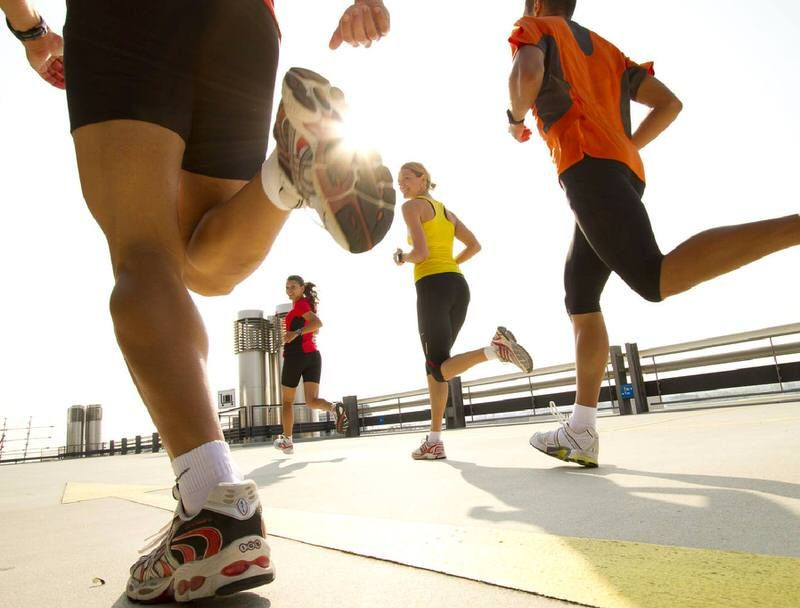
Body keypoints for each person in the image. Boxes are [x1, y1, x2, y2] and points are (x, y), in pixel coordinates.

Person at [1, 0, 393, 601]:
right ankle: (286, 176)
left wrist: (27, 27)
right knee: (200, 261)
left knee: (142, 252)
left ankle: (212, 502)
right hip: (246, 21)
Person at [506, 0, 800, 468]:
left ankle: (794, 228)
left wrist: (515, 118)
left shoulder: (535, 26)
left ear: (538, 2)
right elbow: (669, 103)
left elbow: (526, 75)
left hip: (587, 166)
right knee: (579, 295)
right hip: (620, 170)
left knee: (653, 278)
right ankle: (581, 430)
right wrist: (625, 146)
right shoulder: (606, 51)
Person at [395, 162, 534, 460]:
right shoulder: (447, 212)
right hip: (458, 286)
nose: (401, 184)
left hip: (432, 287)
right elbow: (475, 245)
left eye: (407, 178)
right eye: (399, 180)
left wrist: (401, 256)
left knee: (437, 366)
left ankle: (495, 350)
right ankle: (434, 440)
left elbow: (421, 254)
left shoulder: (411, 208)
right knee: (437, 367)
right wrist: (452, 265)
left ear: (423, 180)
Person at [273, 275, 349, 455]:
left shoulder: (301, 305)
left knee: (287, 401)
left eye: (293, 287)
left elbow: (317, 323)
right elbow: (311, 325)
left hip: (296, 356)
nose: (289, 291)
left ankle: (287, 441)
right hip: (312, 357)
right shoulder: (302, 306)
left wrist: (294, 333)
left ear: (301, 288)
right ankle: (333, 408)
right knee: (311, 401)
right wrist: (294, 334)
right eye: (287, 287)